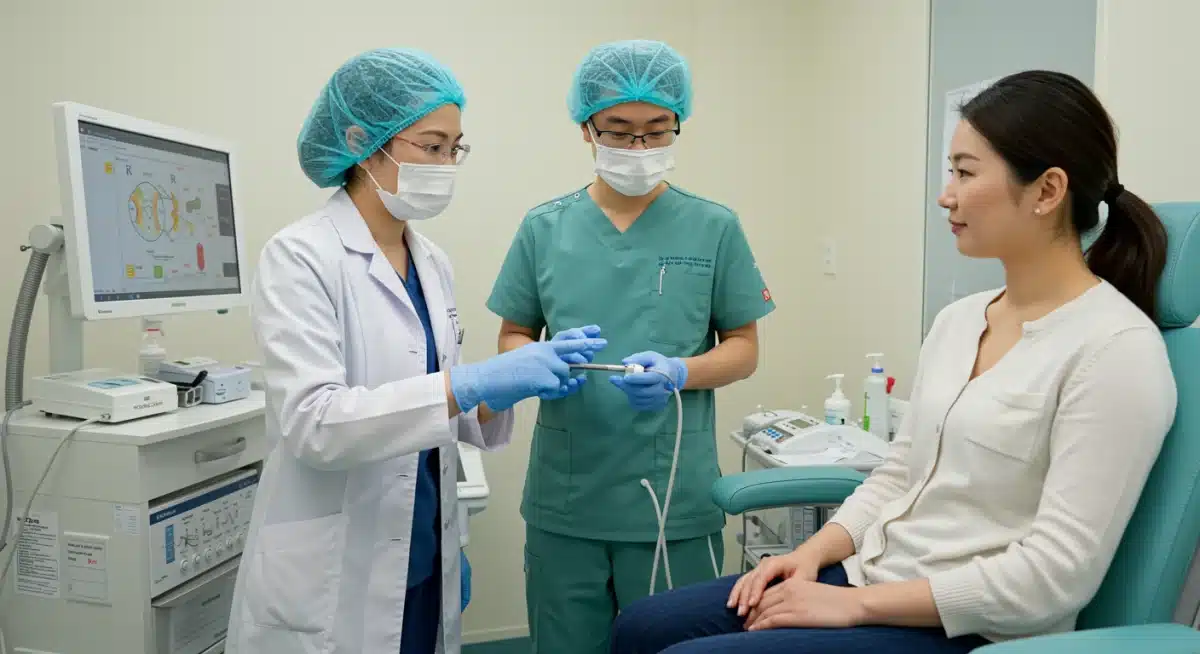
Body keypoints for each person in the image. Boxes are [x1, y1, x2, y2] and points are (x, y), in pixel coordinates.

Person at [609, 70, 1179, 653]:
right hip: (872, 576)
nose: (946, 194)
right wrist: (810, 556)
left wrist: (851, 606)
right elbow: (899, 473)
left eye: (964, 171)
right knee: (640, 626)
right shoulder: (961, 320)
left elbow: (1054, 577)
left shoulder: (1115, 350)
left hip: (968, 627)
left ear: (1047, 190)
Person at [224, 48, 605, 654]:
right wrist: (471, 383)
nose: (447, 163)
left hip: (424, 544)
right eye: (431, 146)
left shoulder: (431, 261)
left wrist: (508, 386)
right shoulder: (301, 255)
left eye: (455, 147)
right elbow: (314, 423)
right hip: (337, 566)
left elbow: (442, 407)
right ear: (362, 141)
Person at [486, 39, 776, 654]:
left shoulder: (713, 226)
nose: (638, 148)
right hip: (569, 496)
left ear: (678, 127)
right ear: (586, 130)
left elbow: (744, 348)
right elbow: (514, 331)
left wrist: (680, 371)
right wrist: (532, 364)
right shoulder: (544, 228)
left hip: (674, 492)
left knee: (676, 647)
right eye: (618, 131)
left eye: (655, 131)